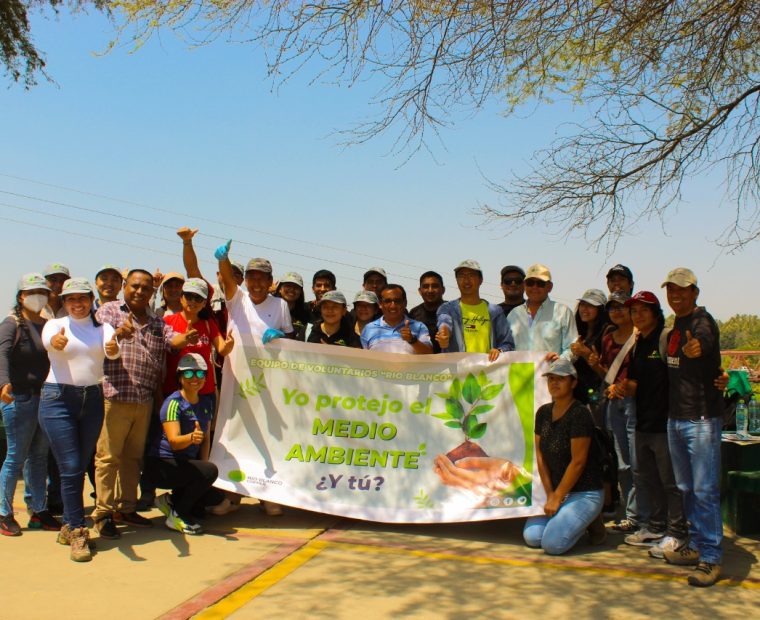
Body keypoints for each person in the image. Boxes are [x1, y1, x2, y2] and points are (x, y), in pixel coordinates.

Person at [92, 269, 195, 539]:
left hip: (144, 399)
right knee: (107, 458)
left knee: (132, 458)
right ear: (125, 286)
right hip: (114, 396)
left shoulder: (156, 321)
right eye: (135, 286)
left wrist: (186, 339)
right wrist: (117, 334)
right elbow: (102, 340)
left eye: (146, 288)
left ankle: (126, 507)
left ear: (152, 292)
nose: (139, 291)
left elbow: (174, 339)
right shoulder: (110, 312)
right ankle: (103, 512)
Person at [38, 277, 120, 561]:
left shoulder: (104, 327)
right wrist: (57, 342)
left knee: (80, 464)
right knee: (71, 466)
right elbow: (50, 342)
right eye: (71, 299)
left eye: (82, 298)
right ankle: (77, 530)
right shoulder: (55, 325)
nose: (77, 303)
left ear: (91, 299)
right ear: (63, 301)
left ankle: (67, 527)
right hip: (57, 399)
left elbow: (113, 347)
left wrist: (112, 349)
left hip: (93, 400)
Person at [215, 241, 293, 515]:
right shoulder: (236, 298)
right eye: (252, 277)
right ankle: (231, 496)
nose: (257, 282)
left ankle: (268, 495)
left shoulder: (280, 305)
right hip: (235, 379)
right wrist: (224, 260)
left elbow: (291, 340)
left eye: (263, 277)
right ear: (244, 279)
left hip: (268, 383)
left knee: (267, 439)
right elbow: (225, 278)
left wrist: (281, 336)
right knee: (234, 436)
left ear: (271, 281)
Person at [660, 268, 724, 587]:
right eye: (671, 289)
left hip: (700, 419)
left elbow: (705, 341)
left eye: (682, 290)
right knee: (686, 489)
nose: (676, 295)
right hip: (676, 419)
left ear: (695, 293)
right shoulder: (675, 326)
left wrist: (697, 347)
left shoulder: (701, 321)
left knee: (705, 490)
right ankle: (696, 546)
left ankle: (711, 558)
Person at [620, 291, 688, 557]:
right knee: (649, 479)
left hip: (666, 424)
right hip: (642, 422)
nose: (637, 315)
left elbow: (684, 375)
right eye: (634, 311)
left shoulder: (667, 337)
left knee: (671, 483)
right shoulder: (639, 342)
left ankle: (678, 534)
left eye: (643, 311)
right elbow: (636, 383)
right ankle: (657, 528)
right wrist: (624, 387)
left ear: (655, 313)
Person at [523, 359, 604, 555]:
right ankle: (572, 518)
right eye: (551, 379)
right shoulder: (542, 413)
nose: (554, 383)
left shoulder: (580, 414)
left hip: (584, 491)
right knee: (533, 538)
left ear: (573, 383)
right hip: (555, 490)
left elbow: (578, 462)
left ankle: (592, 520)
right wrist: (551, 494)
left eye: (561, 379)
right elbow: (540, 456)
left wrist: (557, 497)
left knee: (552, 544)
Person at [0, 273, 59, 536]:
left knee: (39, 457)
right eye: (32, 292)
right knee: (15, 457)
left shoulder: (47, 325)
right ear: (21, 296)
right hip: (19, 398)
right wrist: (3, 383)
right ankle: (4, 513)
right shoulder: (12, 324)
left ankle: (38, 510)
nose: (38, 296)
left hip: (43, 399)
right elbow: (0, 353)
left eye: (42, 292)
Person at [143, 354, 222, 535]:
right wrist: (191, 439)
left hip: (184, 464)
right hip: (162, 464)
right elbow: (174, 442)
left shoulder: (206, 402)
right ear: (179, 377)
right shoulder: (173, 403)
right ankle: (177, 515)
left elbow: (205, 440)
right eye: (188, 374)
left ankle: (171, 501)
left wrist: (204, 473)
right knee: (210, 472)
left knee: (214, 497)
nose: (194, 379)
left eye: (200, 374)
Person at [589, 290, 640, 533]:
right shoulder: (608, 338)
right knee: (622, 463)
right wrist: (594, 365)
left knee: (639, 461)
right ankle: (633, 516)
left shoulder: (642, 335)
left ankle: (646, 515)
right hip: (614, 403)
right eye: (612, 308)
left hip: (636, 404)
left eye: (621, 307)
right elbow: (607, 373)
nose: (617, 312)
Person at [436, 260, 514, 361]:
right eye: (461, 276)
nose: (466, 280)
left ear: (481, 280)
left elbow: (508, 343)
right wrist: (444, 334)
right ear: (456, 280)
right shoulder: (448, 308)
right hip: (458, 373)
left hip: (486, 373)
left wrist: (499, 350)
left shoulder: (495, 311)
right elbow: (444, 323)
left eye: (471, 275)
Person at [508, 264, 577, 361]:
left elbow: (572, 348)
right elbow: (507, 346)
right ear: (524, 285)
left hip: (550, 374)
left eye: (540, 283)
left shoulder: (563, 312)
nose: (535, 287)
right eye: (530, 283)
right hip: (518, 375)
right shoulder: (514, 314)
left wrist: (560, 361)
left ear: (550, 287)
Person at [361, 284, 432, 354]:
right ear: (380, 304)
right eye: (387, 301)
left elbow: (429, 355)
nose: (393, 306)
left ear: (405, 303)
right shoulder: (368, 329)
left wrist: (412, 340)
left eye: (397, 301)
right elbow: (363, 360)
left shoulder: (419, 327)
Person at [570, 289, 608, 408]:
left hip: (596, 399)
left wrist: (585, 353)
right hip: (577, 396)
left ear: (601, 310)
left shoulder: (608, 332)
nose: (585, 309)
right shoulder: (579, 331)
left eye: (591, 306)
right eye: (583, 304)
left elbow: (607, 372)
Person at [409, 271, 445, 353]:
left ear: (443, 290)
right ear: (420, 291)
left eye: (435, 286)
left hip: (449, 363)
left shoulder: (452, 311)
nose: (430, 290)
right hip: (422, 363)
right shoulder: (414, 313)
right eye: (426, 286)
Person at [274, 272, 309, 341]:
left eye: (296, 287)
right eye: (288, 286)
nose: (292, 289)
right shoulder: (270, 308)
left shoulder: (306, 315)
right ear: (280, 289)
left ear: (300, 292)